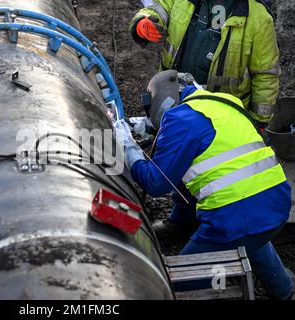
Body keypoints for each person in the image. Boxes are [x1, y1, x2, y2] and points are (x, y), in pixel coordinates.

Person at [115, 70, 293, 299]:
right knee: (253, 237)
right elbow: (203, 141)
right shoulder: (223, 103)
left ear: (163, 104)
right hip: (276, 203)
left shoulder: (179, 119)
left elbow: (156, 183)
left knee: (175, 280)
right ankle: (285, 290)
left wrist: (128, 149)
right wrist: (153, 128)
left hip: (234, 220)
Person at [129, 0, 280, 128]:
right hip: (173, 98)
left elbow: (265, 75)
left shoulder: (258, 19)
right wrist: (143, 22)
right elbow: (158, 8)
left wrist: (258, 122)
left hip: (220, 118)